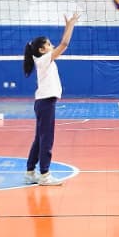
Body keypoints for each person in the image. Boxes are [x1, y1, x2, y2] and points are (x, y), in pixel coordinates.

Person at [22, 14, 78, 186]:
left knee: (40, 138)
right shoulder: (44, 59)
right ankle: (45, 175)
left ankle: (30, 172)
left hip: (42, 102)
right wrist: (70, 26)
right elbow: (65, 44)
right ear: (41, 50)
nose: (50, 44)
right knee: (47, 139)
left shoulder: (42, 59)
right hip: (45, 103)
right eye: (47, 44)